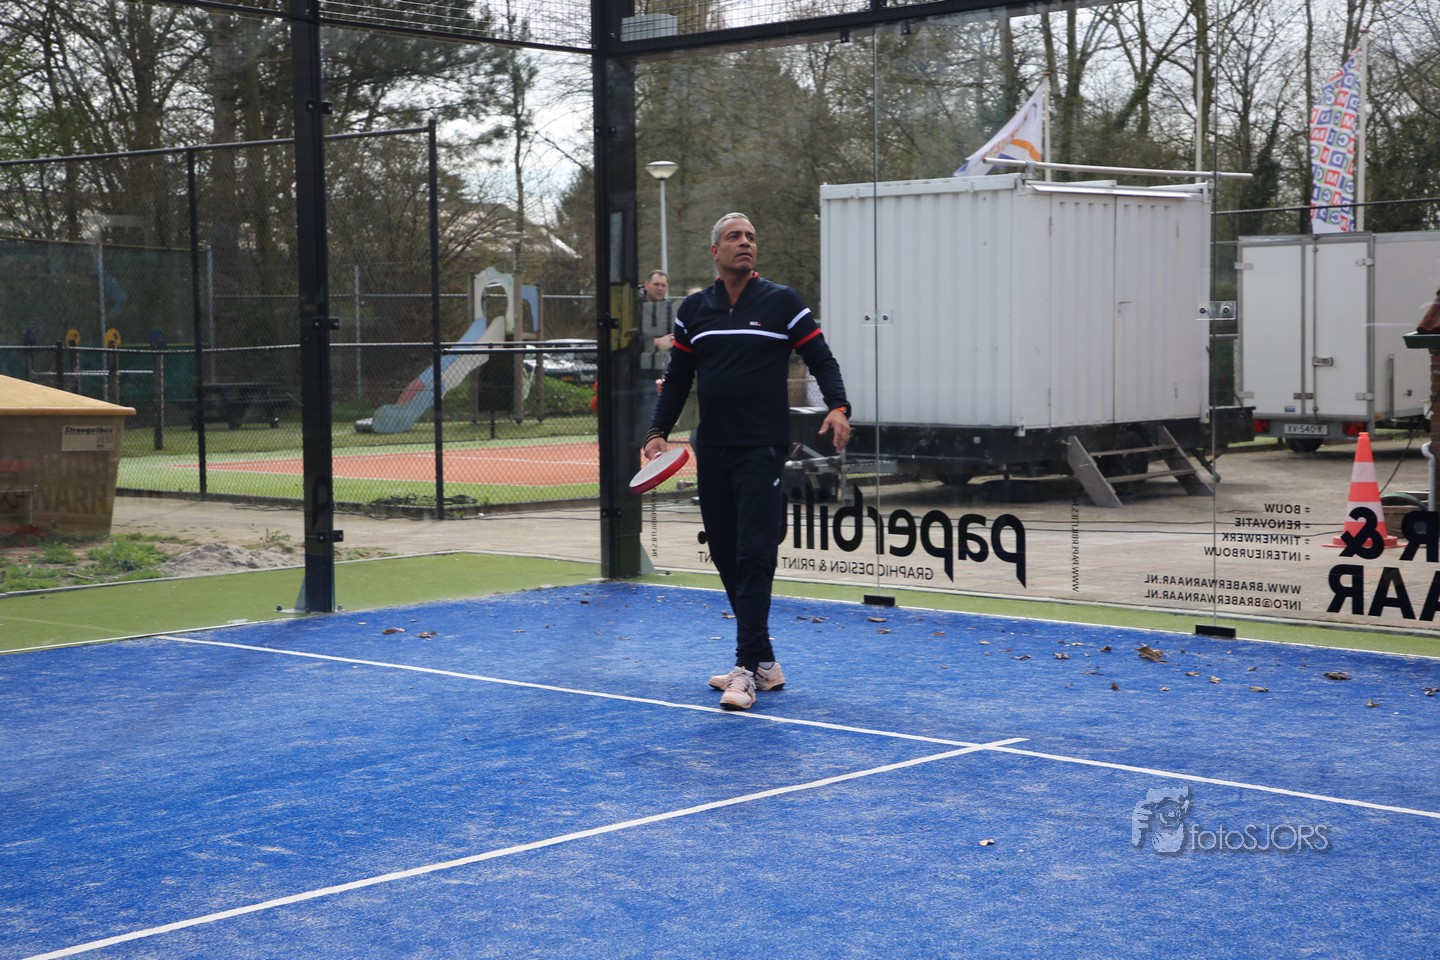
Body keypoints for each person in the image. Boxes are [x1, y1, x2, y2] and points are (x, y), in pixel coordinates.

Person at [641, 212, 851, 711]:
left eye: (751, 236)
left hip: (762, 447)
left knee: (754, 552)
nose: (745, 243)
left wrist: (838, 407)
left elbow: (822, 359)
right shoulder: (695, 310)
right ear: (715, 251)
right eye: (734, 236)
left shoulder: (783, 302)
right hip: (712, 447)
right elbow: (679, 377)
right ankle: (766, 662)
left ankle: (745, 669)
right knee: (724, 551)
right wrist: (656, 432)